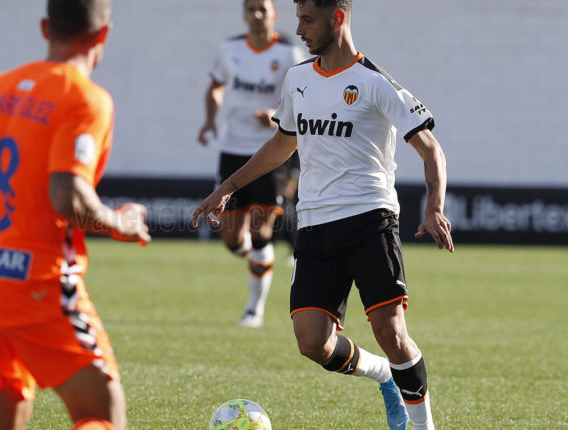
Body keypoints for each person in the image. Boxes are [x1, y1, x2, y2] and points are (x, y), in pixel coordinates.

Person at [193, 0, 454, 428]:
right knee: (312, 341)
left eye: (307, 20)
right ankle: (384, 375)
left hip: (370, 218)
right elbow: (283, 143)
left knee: (391, 332)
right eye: (297, 19)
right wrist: (226, 188)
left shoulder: (374, 82)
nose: (298, 30)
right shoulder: (297, 79)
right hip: (314, 223)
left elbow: (430, 148)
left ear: (338, 18)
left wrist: (434, 208)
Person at [0, 0, 150, 428]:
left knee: (1, 423)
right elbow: (68, 196)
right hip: (36, 277)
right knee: (102, 415)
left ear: (46, 27)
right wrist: (121, 222)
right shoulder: (86, 98)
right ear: (103, 35)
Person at [197, 0, 307, 328]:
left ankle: (253, 310)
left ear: (274, 14)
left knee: (261, 229)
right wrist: (209, 120)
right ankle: (261, 261)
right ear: (245, 15)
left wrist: (276, 118)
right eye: (252, 9)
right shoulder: (229, 49)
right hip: (232, 150)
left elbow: (303, 101)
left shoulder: (290, 55)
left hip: (271, 152)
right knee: (232, 239)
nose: (257, 15)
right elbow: (215, 87)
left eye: (263, 9)